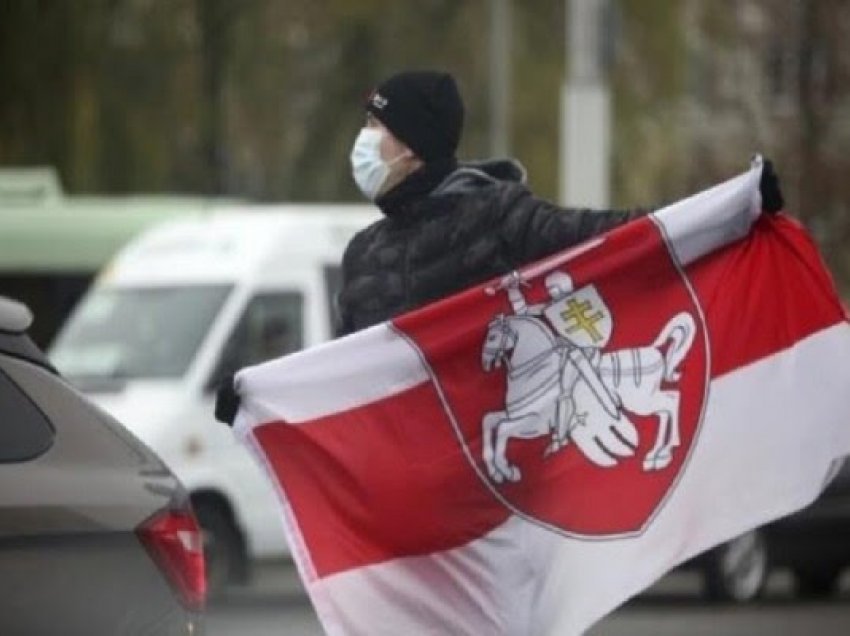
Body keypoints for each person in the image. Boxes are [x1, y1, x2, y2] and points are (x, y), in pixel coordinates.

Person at [215, 69, 784, 424]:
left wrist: (736, 208)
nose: (364, 140)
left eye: (376, 125)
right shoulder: (363, 253)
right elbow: (339, 377)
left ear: (411, 146)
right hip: (401, 500)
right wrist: (258, 399)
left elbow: (615, 240)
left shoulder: (497, 217)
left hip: (488, 492)